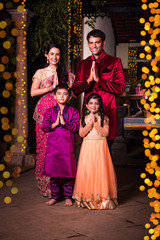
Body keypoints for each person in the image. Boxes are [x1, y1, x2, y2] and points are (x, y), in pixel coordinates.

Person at [30, 43, 75, 198]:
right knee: (44, 149)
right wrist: (50, 88)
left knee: (61, 150)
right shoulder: (41, 72)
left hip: (62, 115)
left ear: (60, 56)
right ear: (46, 55)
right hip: (44, 116)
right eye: (52, 54)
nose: (54, 57)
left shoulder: (66, 74)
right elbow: (32, 92)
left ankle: (61, 188)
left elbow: (73, 95)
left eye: (57, 54)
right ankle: (47, 187)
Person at [72, 29, 126, 152]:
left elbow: (120, 87)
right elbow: (75, 89)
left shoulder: (114, 62)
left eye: (97, 42)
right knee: (89, 150)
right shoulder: (82, 64)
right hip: (88, 112)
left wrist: (99, 80)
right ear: (88, 44)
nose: (94, 46)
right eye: (91, 43)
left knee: (106, 150)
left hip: (107, 110)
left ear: (103, 43)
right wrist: (89, 81)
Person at [72, 93, 118, 210]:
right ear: (87, 105)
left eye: (96, 103)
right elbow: (82, 134)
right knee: (88, 171)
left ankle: (101, 199)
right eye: (91, 103)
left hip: (100, 147)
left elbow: (105, 133)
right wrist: (89, 123)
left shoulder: (104, 118)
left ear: (100, 105)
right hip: (87, 148)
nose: (94, 106)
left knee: (100, 172)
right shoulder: (83, 118)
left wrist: (96, 123)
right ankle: (87, 198)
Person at [41, 83, 80, 206]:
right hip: (53, 147)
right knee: (54, 173)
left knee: (69, 173)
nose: (62, 96)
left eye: (65, 94)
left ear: (69, 97)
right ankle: (55, 197)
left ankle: (68, 197)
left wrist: (65, 123)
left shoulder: (73, 112)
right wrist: (55, 124)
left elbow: (76, 128)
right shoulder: (50, 112)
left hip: (67, 146)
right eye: (59, 94)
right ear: (54, 96)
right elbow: (44, 127)